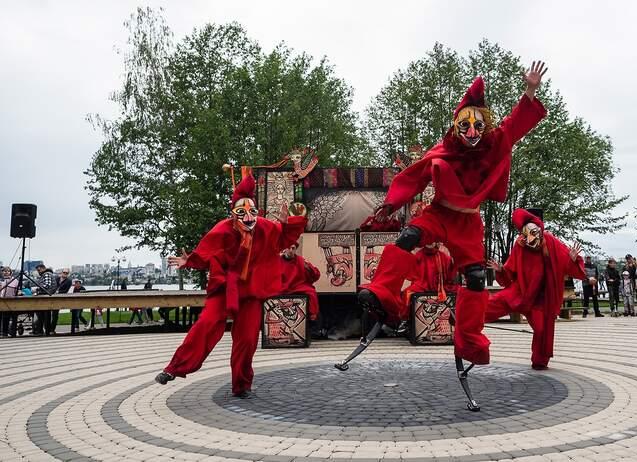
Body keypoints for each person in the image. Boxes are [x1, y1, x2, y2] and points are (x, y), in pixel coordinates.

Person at [340, 63, 549, 411]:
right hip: (439, 213)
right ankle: (384, 294)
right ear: (456, 125)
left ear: (485, 125)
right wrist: (392, 204)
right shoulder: (444, 148)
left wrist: (529, 92)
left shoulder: (494, 143)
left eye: (477, 125)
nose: (471, 130)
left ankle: (468, 338)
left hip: (468, 224)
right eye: (465, 125)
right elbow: (416, 175)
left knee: (477, 279)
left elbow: (515, 126)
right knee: (408, 236)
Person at [155, 169, 307, 398]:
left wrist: (287, 225)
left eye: (252, 212)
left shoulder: (265, 227)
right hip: (225, 288)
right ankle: (174, 368)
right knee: (206, 324)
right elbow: (206, 253)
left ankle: (242, 385)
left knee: (247, 340)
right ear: (233, 213)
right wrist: (191, 260)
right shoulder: (222, 229)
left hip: (251, 292)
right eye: (242, 212)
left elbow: (284, 239)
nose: (248, 217)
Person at [484, 208, 585, 370]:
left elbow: (566, 262)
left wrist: (572, 260)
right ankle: (468, 319)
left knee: (541, 328)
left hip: (541, 297)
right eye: (528, 235)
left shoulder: (551, 242)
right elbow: (510, 270)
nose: (532, 239)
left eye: (535, 233)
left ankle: (539, 360)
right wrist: (501, 270)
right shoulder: (520, 245)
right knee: (498, 301)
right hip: (521, 291)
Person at [404, 243, 457, 314]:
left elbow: (450, 277)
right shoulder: (418, 256)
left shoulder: (444, 257)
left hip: (441, 286)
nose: (430, 242)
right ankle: (408, 320)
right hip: (421, 286)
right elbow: (412, 275)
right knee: (406, 294)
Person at [280, 242, 321, 321]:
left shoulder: (301, 260)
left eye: (293, 248)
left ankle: (313, 316)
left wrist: (309, 268)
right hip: (281, 287)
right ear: (284, 249)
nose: (291, 250)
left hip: (298, 286)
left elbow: (316, 274)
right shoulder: (277, 261)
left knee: (311, 292)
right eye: (288, 248)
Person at [33, 263, 57, 335]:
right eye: (37, 270)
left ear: (43, 268)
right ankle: (42, 330)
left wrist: (36, 288)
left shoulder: (46, 274)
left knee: (44, 315)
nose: (38, 272)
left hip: (46, 297)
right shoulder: (46, 274)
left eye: (39, 270)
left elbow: (47, 285)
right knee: (43, 315)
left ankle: (44, 331)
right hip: (45, 297)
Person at [0, 267, 19, 337]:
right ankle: (3, 332)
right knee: (4, 316)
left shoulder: (14, 280)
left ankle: (12, 332)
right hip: (2, 301)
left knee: (11, 316)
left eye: (7, 271)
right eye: (4, 271)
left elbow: (17, 290)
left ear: (10, 273)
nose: (6, 272)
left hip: (12, 301)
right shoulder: (2, 281)